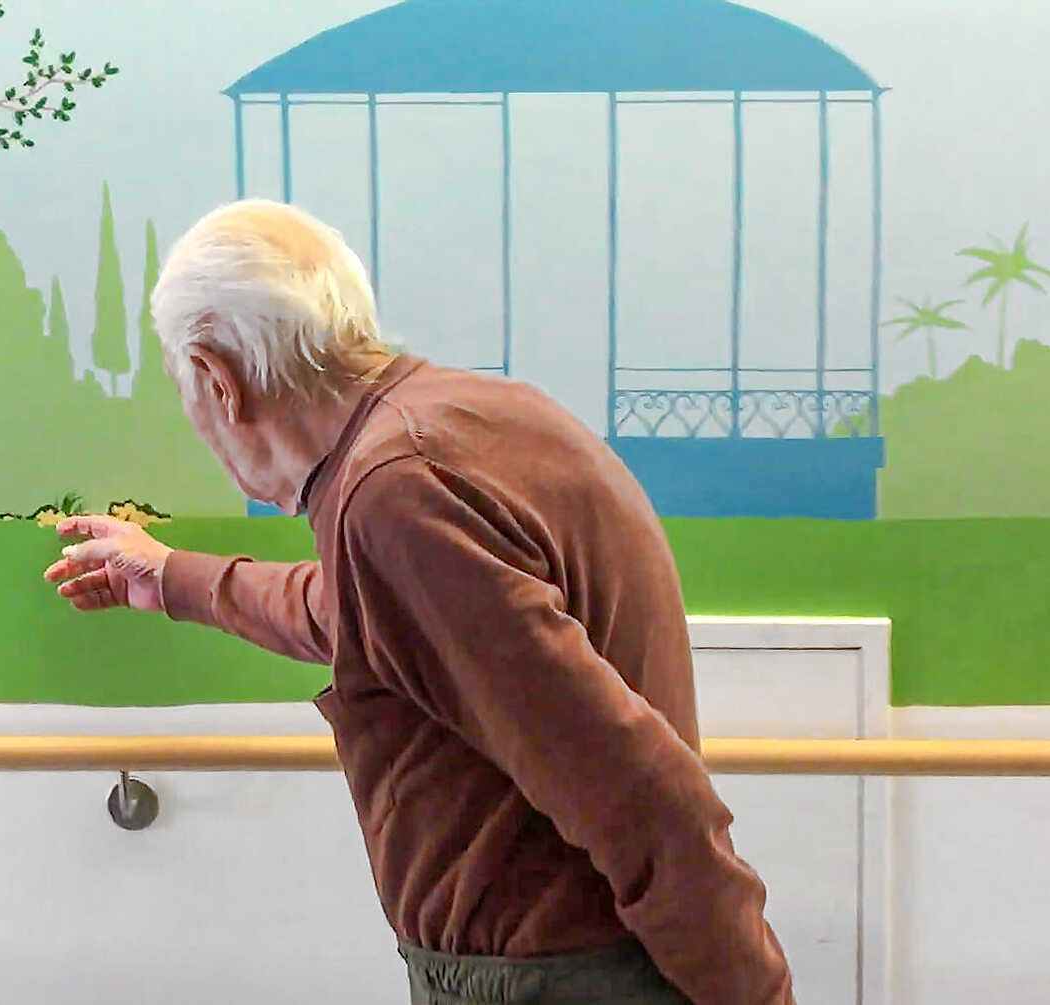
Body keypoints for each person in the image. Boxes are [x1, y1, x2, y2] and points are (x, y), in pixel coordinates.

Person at [44, 201, 792, 1004]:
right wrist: (172, 579)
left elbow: (638, 791)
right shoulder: (462, 423)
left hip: (554, 977)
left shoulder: (396, 493)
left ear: (216, 379)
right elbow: (363, 617)